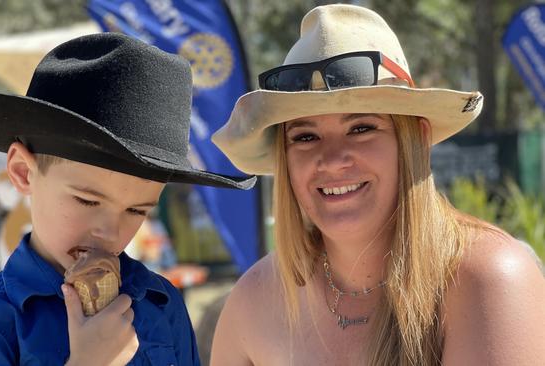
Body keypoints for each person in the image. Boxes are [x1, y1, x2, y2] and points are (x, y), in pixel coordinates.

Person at [210, 5, 545, 366]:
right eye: (306, 136)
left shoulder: (488, 279)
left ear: (415, 139)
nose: (333, 159)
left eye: (361, 128)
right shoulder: (253, 300)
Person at [0, 33, 255, 365]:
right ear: (23, 172)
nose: (109, 231)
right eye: (87, 201)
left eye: (136, 210)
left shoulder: (161, 301)